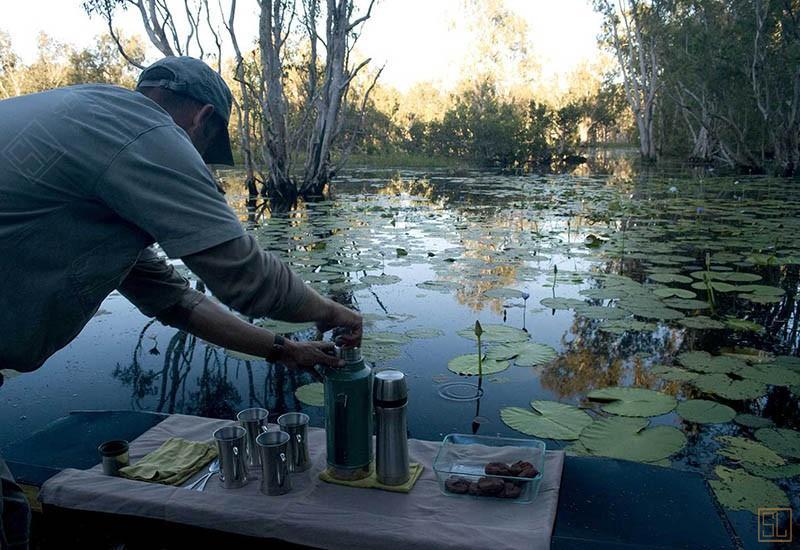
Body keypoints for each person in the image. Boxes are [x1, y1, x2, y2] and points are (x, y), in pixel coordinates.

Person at [0, 56, 362, 549]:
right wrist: (331, 310)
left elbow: (173, 299)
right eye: (206, 152)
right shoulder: (147, 132)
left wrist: (284, 350)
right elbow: (247, 280)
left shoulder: (88, 116)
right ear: (203, 119)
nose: (199, 162)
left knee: (8, 512)